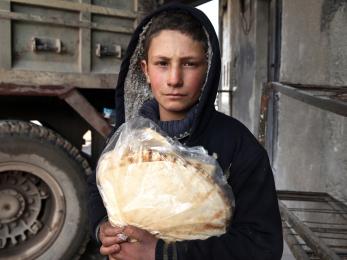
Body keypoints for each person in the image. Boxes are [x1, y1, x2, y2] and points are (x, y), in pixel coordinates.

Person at [87, 3, 283, 260]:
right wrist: (101, 227)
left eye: (189, 64)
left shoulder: (237, 145)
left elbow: (262, 245)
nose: (174, 79)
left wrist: (164, 253)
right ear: (145, 70)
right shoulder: (127, 138)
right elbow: (96, 188)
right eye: (162, 63)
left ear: (208, 69)